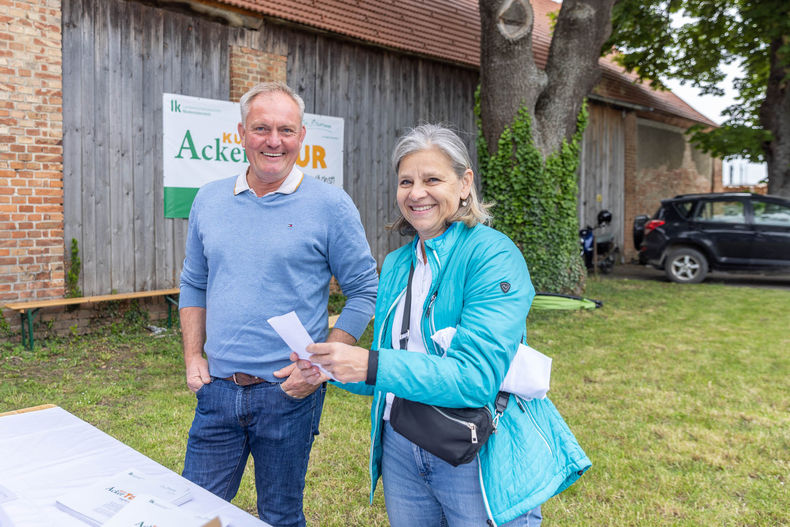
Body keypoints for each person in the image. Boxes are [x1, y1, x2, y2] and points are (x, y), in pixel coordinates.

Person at [300, 125, 591, 526]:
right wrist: (327, 367)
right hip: (402, 442)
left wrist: (369, 363)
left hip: (476, 449)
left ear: (465, 183)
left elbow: (474, 378)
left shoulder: (493, 256)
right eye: (406, 181)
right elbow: (389, 367)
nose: (416, 192)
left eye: (432, 179)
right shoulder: (399, 263)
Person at [178, 81, 378, 527]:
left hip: (288, 392)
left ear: (302, 136)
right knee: (192, 512)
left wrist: (322, 364)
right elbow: (194, 283)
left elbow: (365, 289)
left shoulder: (331, 205)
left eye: (285, 130)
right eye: (261, 128)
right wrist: (193, 355)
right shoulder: (209, 199)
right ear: (240, 133)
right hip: (217, 391)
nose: (274, 141)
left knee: (280, 516)